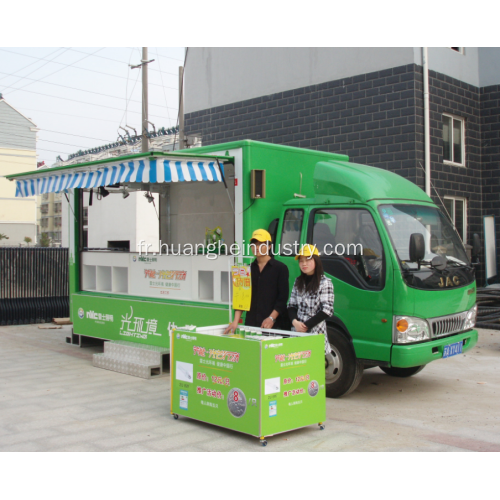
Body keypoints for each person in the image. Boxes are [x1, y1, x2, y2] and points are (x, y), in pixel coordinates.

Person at [224, 229, 289, 334]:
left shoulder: (280, 268)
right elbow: (241, 297)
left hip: (273, 325)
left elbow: (282, 298)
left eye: (260, 244)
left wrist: (271, 318)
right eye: (253, 245)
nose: (256, 248)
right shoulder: (245, 270)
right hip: (251, 324)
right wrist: (235, 321)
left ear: (269, 246)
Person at [287, 244, 334, 354]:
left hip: (315, 332)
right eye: (301, 261)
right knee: (296, 368)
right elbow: (291, 305)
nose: (304, 264)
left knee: (313, 368)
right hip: (296, 332)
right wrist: (295, 322)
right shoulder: (298, 281)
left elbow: (327, 310)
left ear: (316, 261)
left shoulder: (325, 282)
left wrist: (306, 326)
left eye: (308, 260)